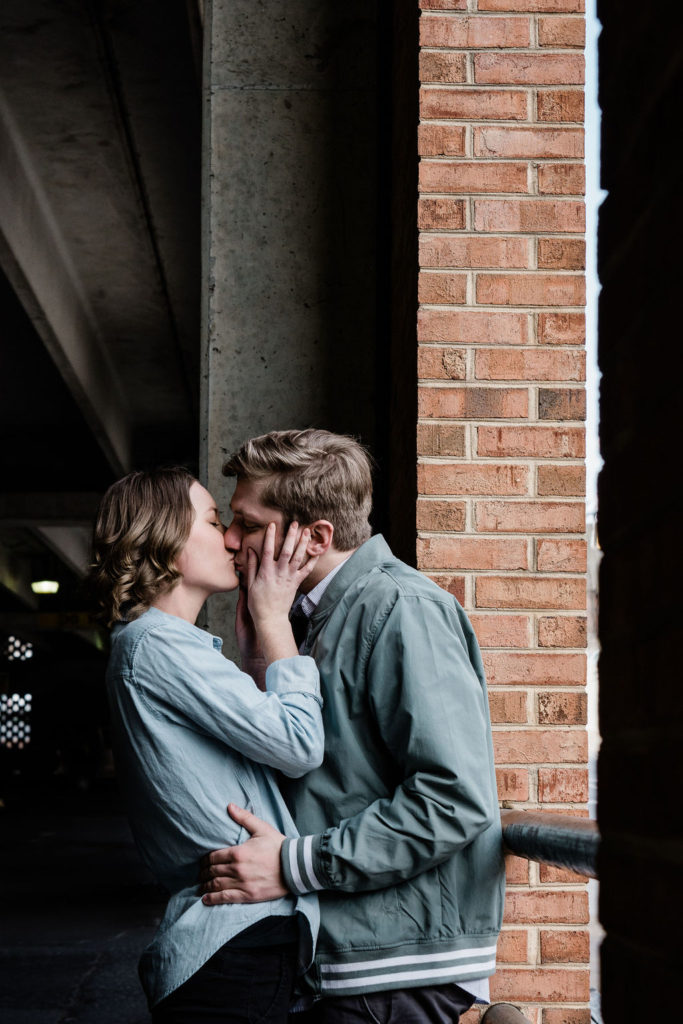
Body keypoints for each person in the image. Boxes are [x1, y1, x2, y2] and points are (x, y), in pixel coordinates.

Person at [200, 430, 505, 1024]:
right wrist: (263, 659)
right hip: (352, 955)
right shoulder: (313, 616)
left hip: (393, 968)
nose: (231, 540)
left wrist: (294, 864)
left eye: (249, 523)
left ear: (316, 537)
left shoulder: (400, 608)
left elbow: (455, 798)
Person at [88, 467, 325, 1022]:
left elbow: (251, 756)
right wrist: (274, 618)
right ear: (167, 542)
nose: (229, 539)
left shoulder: (159, 648)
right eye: (215, 521)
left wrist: (254, 661)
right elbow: (298, 744)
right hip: (234, 947)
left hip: (240, 943)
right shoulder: (156, 646)